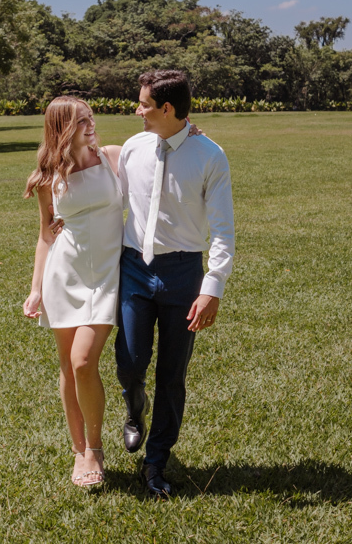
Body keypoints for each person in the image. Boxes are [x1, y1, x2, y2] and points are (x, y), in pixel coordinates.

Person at [116, 69, 235, 499]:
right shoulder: (133, 147)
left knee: (171, 374)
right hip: (133, 267)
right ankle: (134, 407)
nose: (137, 110)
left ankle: (155, 464)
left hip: (184, 273)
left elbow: (223, 230)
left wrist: (212, 286)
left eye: (144, 104)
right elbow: (116, 203)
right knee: (130, 362)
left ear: (167, 108)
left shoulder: (210, 156)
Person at [23, 96, 123, 487]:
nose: (90, 125)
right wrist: (35, 290)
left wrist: (191, 131)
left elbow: (157, 151)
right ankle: (79, 452)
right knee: (68, 365)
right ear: (62, 129)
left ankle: (95, 448)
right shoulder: (49, 179)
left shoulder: (113, 157)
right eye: (81, 121)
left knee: (84, 361)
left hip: (108, 274)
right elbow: (47, 235)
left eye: (91, 118)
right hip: (64, 275)